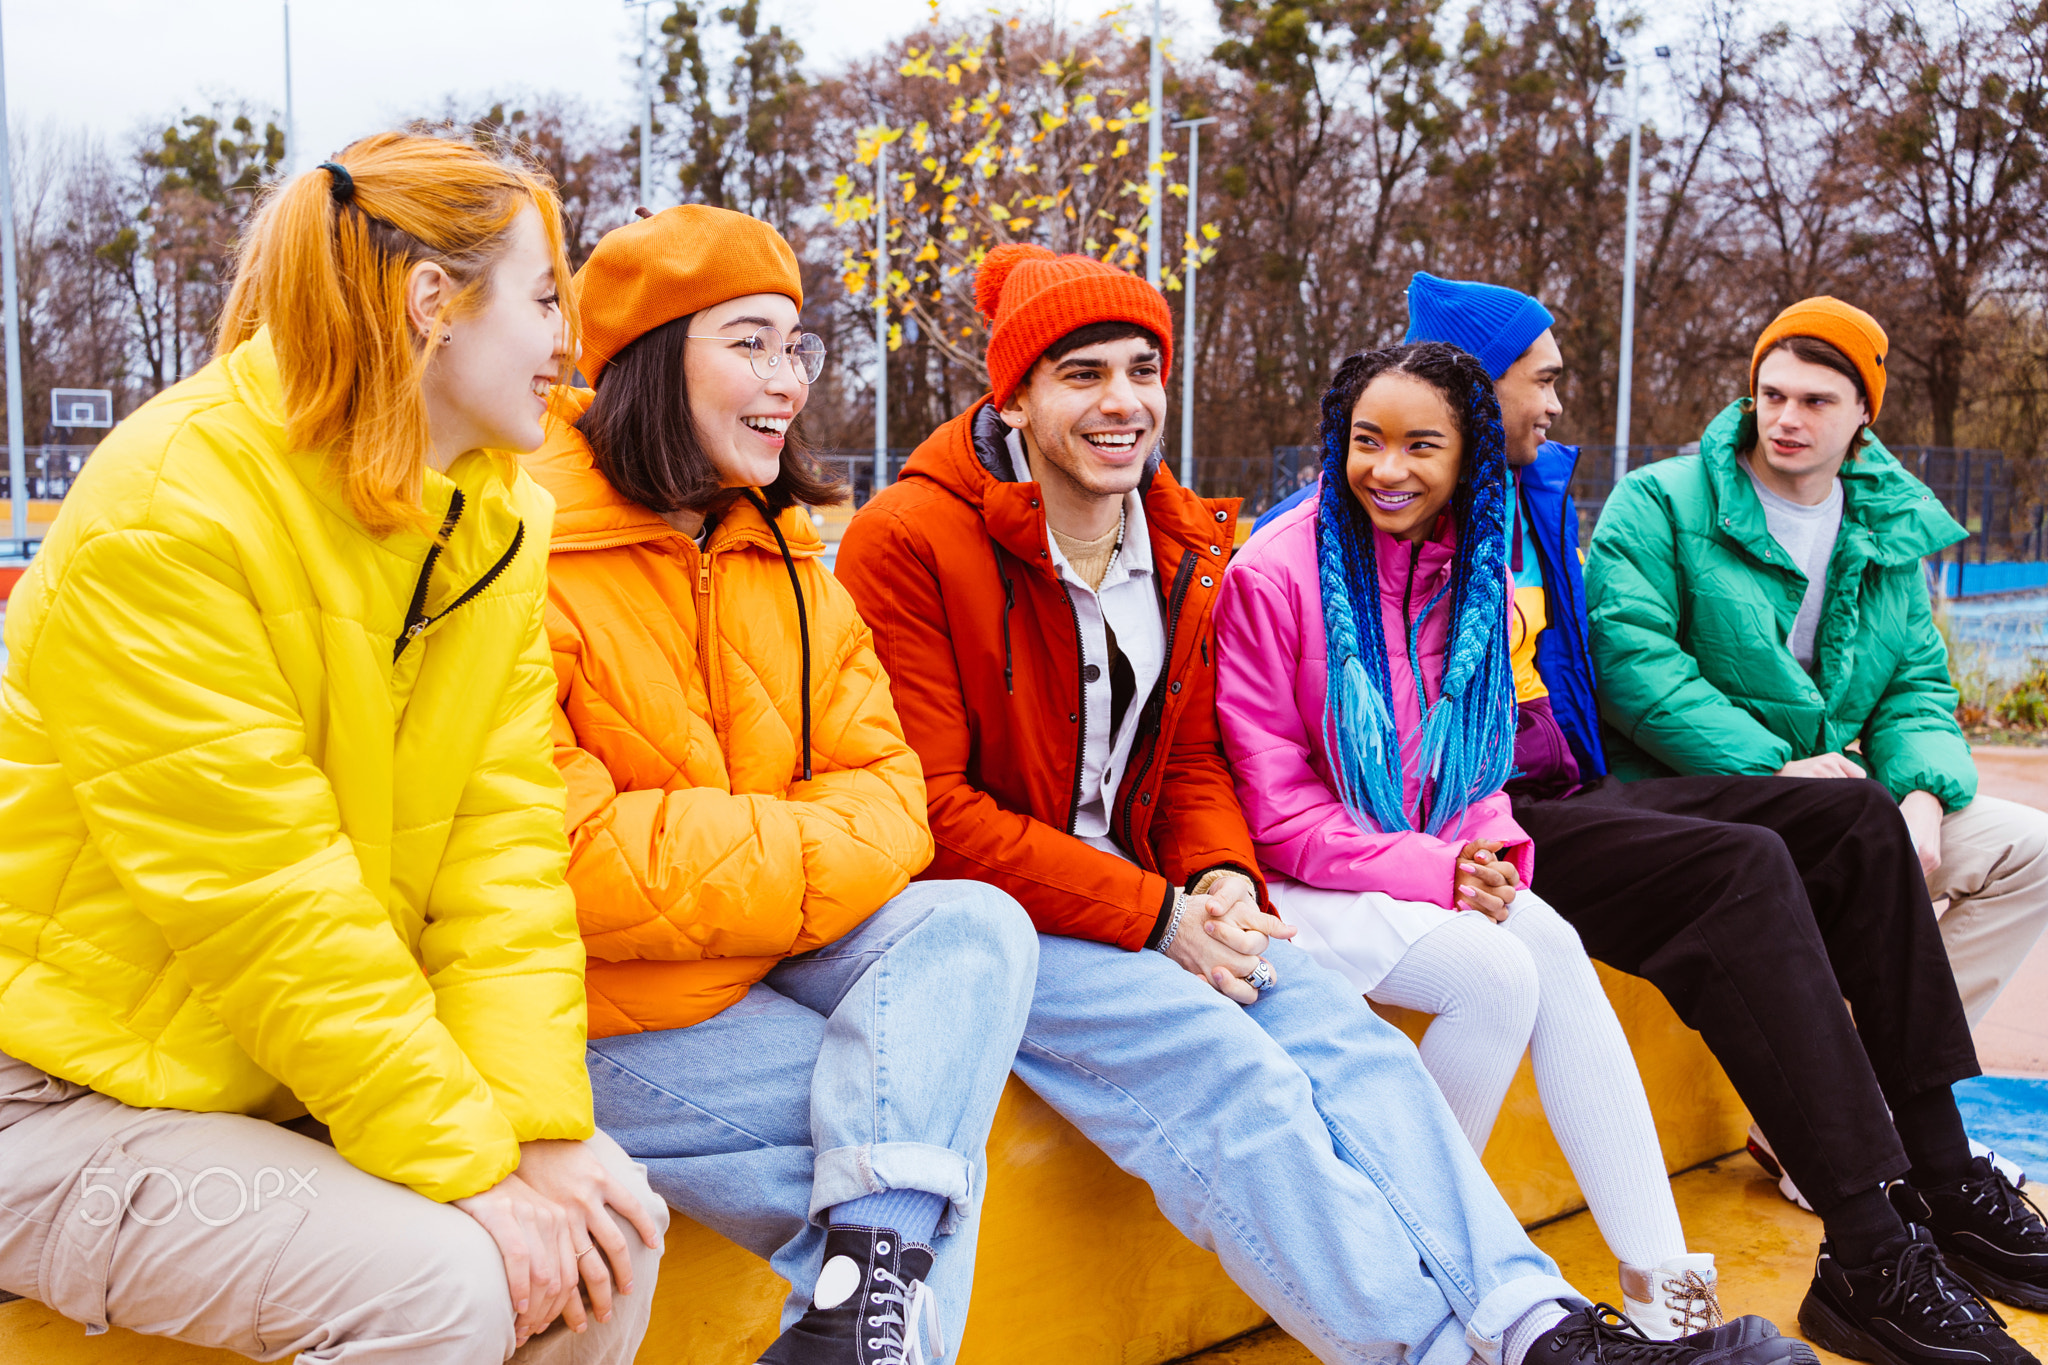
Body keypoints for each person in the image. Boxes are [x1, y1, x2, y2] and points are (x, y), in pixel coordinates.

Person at [837, 242, 1808, 1365]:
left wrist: (1215, 881)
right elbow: (933, 812)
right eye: (1081, 373)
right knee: (1247, 1084)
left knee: (1358, 1051)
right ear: (1011, 395)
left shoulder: (1175, 538)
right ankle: (1475, 1349)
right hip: (1006, 913)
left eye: (1142, 369)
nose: (1122, 402)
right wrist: (1160, 917)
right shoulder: (910, 540)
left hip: (1168, 893)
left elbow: (1192, 763)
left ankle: (1549, 1329)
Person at [0, 134, 665, 1363]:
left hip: (271, 1080)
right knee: (437, 1290)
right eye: (542, 296)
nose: (565, 337)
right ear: (432, 307)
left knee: (606, 1233)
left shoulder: (493, 524)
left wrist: (532, 1131)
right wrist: (467, 1168)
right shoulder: (169, 512)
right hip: (55, 1099)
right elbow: (266, 902)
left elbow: (502, 863)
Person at [532, 205, 1038, 1365]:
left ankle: (855, 1303)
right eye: (750, 342)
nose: (789, 380)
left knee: (974, 922)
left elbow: (892, 800)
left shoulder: (791, 560)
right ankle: (869, 1288)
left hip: (757, 975)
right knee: (917, 1184)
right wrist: (798, 841)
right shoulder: (526, 550)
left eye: (796, 345)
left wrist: (725, 862)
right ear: (654, 361)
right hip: (597, 1019)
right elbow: (564, 859)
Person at [1566, 293, 2047, 1357]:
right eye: (1768, 394)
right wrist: (1776, 764)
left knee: (2021, 849)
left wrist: (1921, 786)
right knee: (1824, 833)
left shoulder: (1884, 526)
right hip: (1711, 786)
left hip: (1850, 797)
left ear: (1859, 417)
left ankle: (1917, 1162)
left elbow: (1918, 684)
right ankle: (1875, 1188)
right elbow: (1636, 670)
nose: (1784, 417)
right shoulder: (1660, 501)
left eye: (1814, 400)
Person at [1215, 337, 1720, 1335]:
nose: (1386, 469)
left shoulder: (1474, 573)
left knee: (1551, 948)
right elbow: (1271, 810)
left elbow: (1477, 766)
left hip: (1419, 863)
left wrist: (1484, 856)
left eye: (1418, 446)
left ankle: (1674, 1302)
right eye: (1365, 441)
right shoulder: (1274, 573)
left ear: (1464, 460)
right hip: (1294, 880)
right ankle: (1421, 1261)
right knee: (1493, 974)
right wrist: (1433, 869)